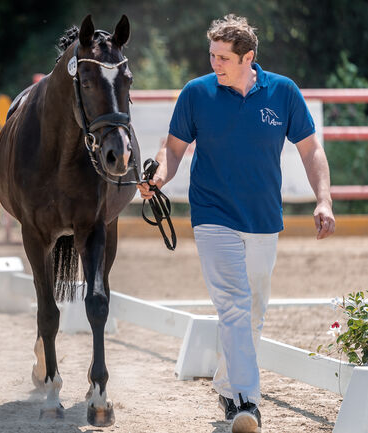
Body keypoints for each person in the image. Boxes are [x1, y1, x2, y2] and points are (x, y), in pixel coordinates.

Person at [137, 14, 335, 433]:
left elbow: (310, 150)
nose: (215, 64)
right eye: (212, 55)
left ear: (249, 58)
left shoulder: (282, 92)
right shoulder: (196, 94)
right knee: (234, 304)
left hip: (263, 219)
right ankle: (246, 403)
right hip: (213, 216)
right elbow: (173, 149)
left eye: (224, 57)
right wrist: (159, 177)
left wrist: (324, 199)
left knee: (254, 310)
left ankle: (227, 384)